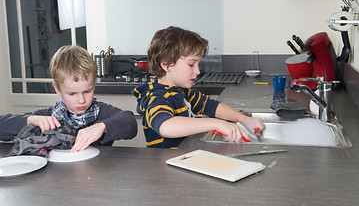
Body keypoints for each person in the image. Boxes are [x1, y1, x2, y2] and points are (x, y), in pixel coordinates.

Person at [132, 26, 264, 149]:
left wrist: (245, 120)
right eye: (191, 65)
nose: (198, 71)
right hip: (165, 168)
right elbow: (165, 126)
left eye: (198, 64)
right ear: (166, 65)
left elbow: (211, 106)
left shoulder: (182, 92)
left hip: (181, 160)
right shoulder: (156, 97)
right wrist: (217, 123)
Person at [0, 45, 137, 152]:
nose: (82, 100)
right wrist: (30, 119)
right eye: (72, 94)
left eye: (87, 91)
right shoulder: (49, 117)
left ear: (94, 86)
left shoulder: (101, 112)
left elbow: (130, 123)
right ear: (57, 89)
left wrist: (102, 127)